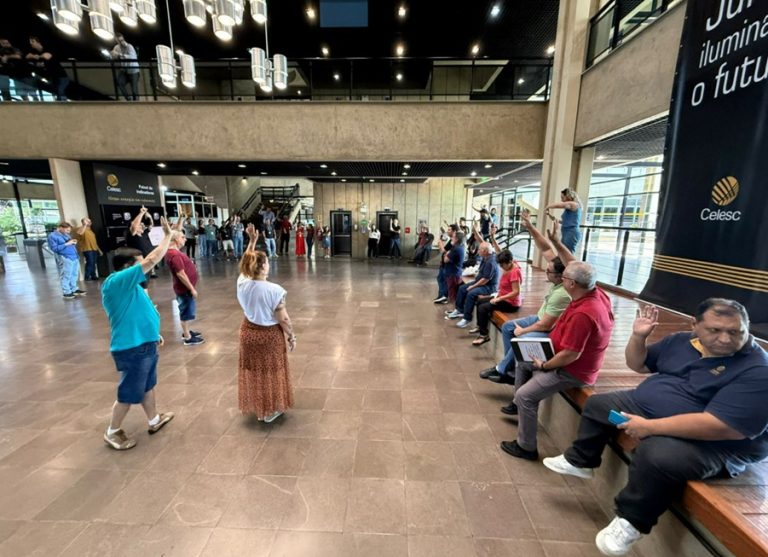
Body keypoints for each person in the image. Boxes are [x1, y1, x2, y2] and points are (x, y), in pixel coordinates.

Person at [543, 299, 768, 556]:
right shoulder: (683, 341)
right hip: (648, 410)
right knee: (599, 405)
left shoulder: (758, 370)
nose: (726, 339)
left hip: (717, 443)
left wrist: (650, 427)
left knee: (657, 454)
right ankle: (582, 460)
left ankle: (632, 520)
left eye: (736, 332)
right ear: (695, 325)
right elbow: (637, 364)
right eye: (715, 330)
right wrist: (638, 337)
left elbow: (724, 428)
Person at [499, 253, 614, 462]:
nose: (561, 279)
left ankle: (526, 446)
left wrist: (544, 365)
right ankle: (518, 405)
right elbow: (572, 263)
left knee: (526, 395)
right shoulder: (592, 291)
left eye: (564, 277)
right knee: (521, 359)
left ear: (571, 283)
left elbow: (571, 355)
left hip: (571, 370)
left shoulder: (584, 313)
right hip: (556, 352)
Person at [101, 217, 177, 450]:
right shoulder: (116, 282)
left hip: (145, 343)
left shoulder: (131, 286)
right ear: (127, 268)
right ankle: (112, 431)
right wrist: (168, 236)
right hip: (132, 348)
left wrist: (153, 334)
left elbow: (139, 312)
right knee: (129, 393)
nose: (144, 266)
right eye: (138, 263)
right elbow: (153, 259)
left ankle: (154, 420)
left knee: (146, 386)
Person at [479, 213, 573, 386]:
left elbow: (546, 326)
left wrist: (523, 331)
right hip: (540, 317)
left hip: (549, 326)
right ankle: (510, 368)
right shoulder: (560, 276)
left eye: (549, 271)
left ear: (561, 276)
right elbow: (546, 249)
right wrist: (530, 227)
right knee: (507, 327)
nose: (546, 272)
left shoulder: (562, 294)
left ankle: (502, 369)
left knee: (519, 338)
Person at [236, 224, 296, 422]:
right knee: (271, 373)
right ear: (262, 267)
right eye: (267, 262)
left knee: (255, 372)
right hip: (269, 336)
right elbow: (283, 319)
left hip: (248, 332)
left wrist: (252, 242)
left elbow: (246, 262)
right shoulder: (274, 290)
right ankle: (269, 411)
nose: (268, 264)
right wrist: (292, 336)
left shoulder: (242, 283)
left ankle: (260, 406)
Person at [471, 249, 523, 346]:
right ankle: (480, 326)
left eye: (503, 265)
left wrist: (499, 299)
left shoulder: (514, 272)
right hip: (503, 297)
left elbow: (516, 292)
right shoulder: (510, 263)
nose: (501, 267)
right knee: (480, 301)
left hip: (510, 303)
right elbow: (501, 252)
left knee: (483, 308)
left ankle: (484, 335)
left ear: (510, 262)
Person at [165, 230, 204, 346]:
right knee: (185, 313)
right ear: (176, 239)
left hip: (182, 288)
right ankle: (187, 337)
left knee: (186, 311)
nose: (185, 239)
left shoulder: (173, 252)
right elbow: (181, 274)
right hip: (184, 289)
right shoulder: (175, 255)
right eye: (183, 237)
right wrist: (192, 289)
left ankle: (187, 331)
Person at [445, 242, 499, 328]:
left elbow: (485, 280)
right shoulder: (485, 258)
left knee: (471, 293)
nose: (478, 251)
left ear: (485, 251)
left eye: (480, 249)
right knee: (462, 288)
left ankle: (467, 318)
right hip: (480, 282)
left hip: (489, 287)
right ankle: (459, 310)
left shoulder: (491, 262)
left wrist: (473, 286)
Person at [48, 222, 83, 299]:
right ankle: (66, 292)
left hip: (74, 256)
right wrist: (67, 243)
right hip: (65, 257)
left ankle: (74, 289)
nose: (68, 232)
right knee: (66, 275)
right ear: (61, 227)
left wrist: (73, 242)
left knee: (74, 274)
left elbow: (69, 244)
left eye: (69, 230)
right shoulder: (52, 236)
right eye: (67, 230)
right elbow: (54, 248)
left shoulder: (66, 234)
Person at [26, 36, 69, 100]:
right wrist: (35, 56)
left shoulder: (47, 48)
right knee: (56, 92)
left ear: (38, 42)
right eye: (30, 42)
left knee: (60, 91)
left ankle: (65, 104)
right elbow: (27, 56)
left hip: (61, 76)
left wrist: (37, 56)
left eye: (33, 41)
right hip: (52, 78)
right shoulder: (33, 51)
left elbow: (47, 56)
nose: (31, 43)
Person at [546, 187, 583, 254]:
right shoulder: (569, 208)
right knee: (562, 253)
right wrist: (550, 216)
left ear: (568, 196)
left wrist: (548, 206)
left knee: (566, 254)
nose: (561, 200)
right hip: (566, 232)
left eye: (562, 197)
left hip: (571, 232)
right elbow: (565, 222)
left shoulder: (574, 204)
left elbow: (559, 205)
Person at [126, 207, 156, 281]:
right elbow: (134, 226)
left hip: (146, 262)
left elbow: (151, 225)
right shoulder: (132, 235)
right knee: (139, 281)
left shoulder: (144, 233)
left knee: (145, 282)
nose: (141, 225)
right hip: (138, 263)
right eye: (139, 224)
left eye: (141, 224)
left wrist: (149, 217)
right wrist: (141, 213)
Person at [110, 33, 140, 101]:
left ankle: (136, 102)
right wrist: (112, 55)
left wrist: (120, 55)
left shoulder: (129, 46)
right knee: (119, 82)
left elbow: (133, 57)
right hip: (124, 70)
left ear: (123, 39)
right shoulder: (116, 47)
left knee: (134, 90)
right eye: (119, 41)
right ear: (116, 41)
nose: (121, 42)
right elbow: (114, 56)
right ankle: (128, 99)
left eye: (122, 40)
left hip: (133, 70)